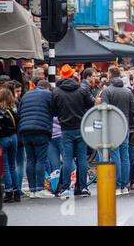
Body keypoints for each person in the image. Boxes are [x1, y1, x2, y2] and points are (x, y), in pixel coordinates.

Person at [51, 64, 95, 198]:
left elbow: (53, 111)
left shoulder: (56, 92)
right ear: (72, 75)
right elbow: (91, 104)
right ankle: (83, 187)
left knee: (67, 159)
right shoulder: (81, 90)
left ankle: (65, 187)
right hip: (80, 128)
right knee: (82, 158)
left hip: (65, 129)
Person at [101, 66, 134, 195]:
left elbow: (103, 110)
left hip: (112, 127)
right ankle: (124, 186)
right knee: (125, 155)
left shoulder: (107, 91)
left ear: (110, 75)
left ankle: (117, 185)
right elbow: (133, 111)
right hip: (125, 126)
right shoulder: (127, 91)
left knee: (115, 155)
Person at [18, 80, 54, 199]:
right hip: (41, 130)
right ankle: (40, 189)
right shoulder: (48, 95)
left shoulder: (26, 95)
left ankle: (32, 189)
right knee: (41, 160)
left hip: (25, 131)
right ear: (47, 88)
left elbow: (19, 112)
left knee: (30, 159)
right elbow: (54, 111)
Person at [0, 88, 20, 202]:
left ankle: (9, 192)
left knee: (5, 166)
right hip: (14, 137)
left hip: (3, 139)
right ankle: (17, 192)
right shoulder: (12, 110)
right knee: (12, 165)